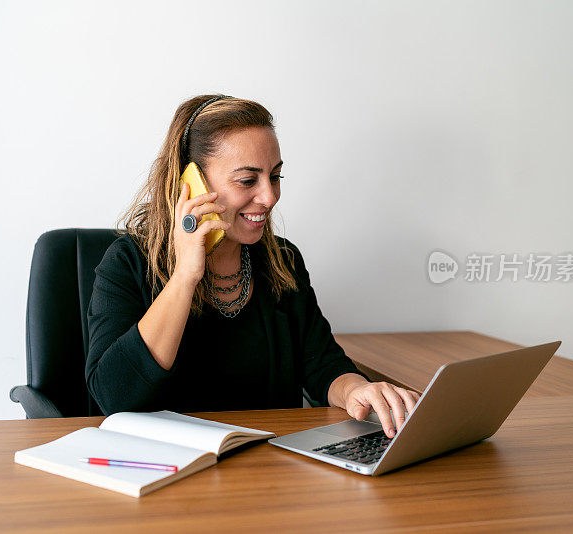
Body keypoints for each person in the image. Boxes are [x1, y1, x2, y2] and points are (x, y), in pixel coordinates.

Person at [86, 94, 420, 438]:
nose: (269, 196)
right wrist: (186, 275)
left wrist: (355, 390)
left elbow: (323, 364)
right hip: (169, 473)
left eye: (275, 176)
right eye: (248, 180)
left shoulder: (282, 261)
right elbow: (114, 397)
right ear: (192, 182)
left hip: (269, 469)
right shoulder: (127, 262)